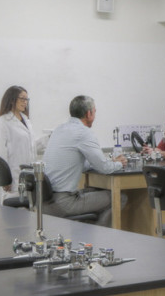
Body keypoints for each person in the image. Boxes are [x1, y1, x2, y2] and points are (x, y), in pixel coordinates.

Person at [41, 95, 125, 226]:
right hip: (64, 202)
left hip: (47, 200)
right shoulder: (83, 132)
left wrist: (105, 163)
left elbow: (78, 163)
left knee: (96, 192)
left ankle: (85, 236)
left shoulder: (59, 129)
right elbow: (105, 168)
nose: (95, 116)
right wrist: (119, 163)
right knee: (119, 197)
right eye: (95, 112)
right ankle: (99, 239)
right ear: (89, 113)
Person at [0, 86, 36, 185]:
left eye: (27, 99)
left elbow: (30, 145)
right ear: (11, 100)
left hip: (28, 175)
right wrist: (5, 180)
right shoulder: (2, 122)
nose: (25, 102)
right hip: (13, 177)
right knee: (14, 199)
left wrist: (48, 139)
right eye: (22, 98)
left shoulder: (26, 120)